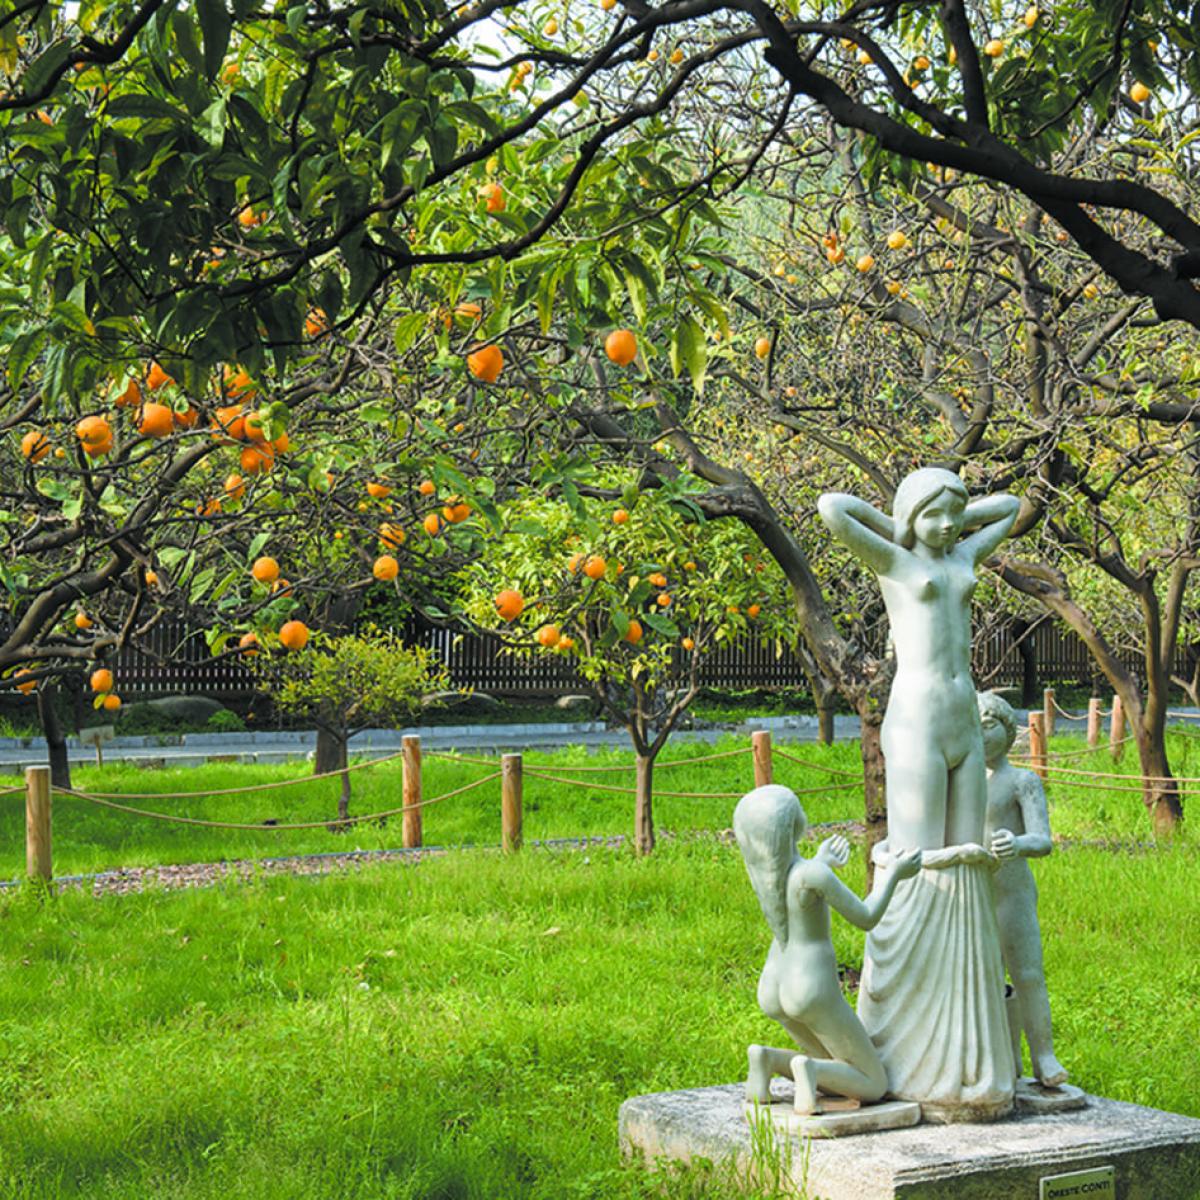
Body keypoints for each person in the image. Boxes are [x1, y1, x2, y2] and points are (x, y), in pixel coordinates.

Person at [816, 469, 1022, 1121]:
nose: (947, 527)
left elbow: (1012, 506)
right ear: (912, 518)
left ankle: (962, 1037)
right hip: (917, 718)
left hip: (963, 711)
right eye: (934, 516)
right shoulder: (895, 557)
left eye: (954, 517)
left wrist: (958, 510)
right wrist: (903, 520)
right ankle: (909, 1032)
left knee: (965, 860)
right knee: (918, 861)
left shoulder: (963, 552)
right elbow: (834, 506)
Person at [734, 784, 922, 1114]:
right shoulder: (812, 874)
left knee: (834, 1061)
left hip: (775, 981)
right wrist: (893, 874)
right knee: (873, 1083)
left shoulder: (769, 876)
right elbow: (866, 918)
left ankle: (766, 1059)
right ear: (793, 825)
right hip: (810, 984)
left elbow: (799, 887)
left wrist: (820, 861)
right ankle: (810, 1073)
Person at [978, 690, 1068, 1088]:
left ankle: (1043, 1056)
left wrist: (1016, 845)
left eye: (987, 727)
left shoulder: (1022, 781)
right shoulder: (961, 782)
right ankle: (1004, 1057)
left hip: (1012, 891)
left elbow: (1043, 840)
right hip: (974, 892)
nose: (979, 737)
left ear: (1007, 730)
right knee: (986, 980)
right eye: (972, 728)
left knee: (1027, 974)